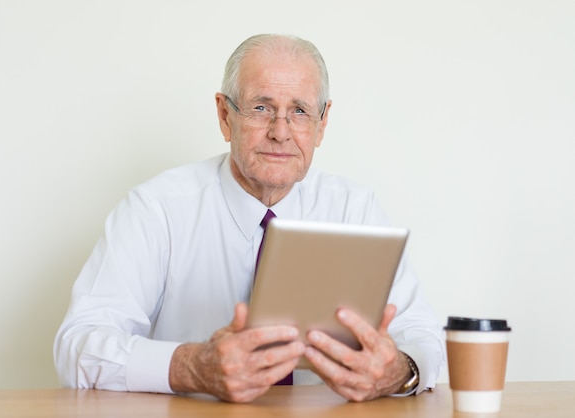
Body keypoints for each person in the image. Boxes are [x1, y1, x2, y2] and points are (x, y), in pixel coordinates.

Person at [54, 33, 444, 403]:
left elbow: (423, 337)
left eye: (300, 112)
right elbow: (78, 345)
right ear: (225, 116)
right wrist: (191, 367)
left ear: (322, 124)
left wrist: (400, 373)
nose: (280, 131)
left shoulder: (354, 210)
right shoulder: (156, 209)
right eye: (261, 108)